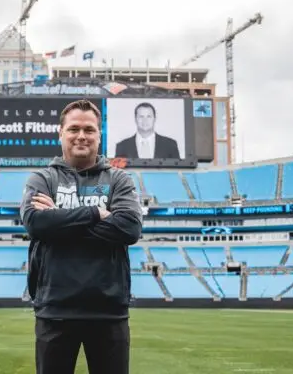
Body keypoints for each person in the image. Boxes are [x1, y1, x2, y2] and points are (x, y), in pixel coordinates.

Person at [21, 99, 143, 374]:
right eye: (74, 128)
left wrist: (60, 221)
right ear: (61, 133)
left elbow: (129, 228)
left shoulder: (118, 180)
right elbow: (36, 223)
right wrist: (95, 213)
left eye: (89, 130)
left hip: (108, 311)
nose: (81, 135)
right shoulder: (42, 179)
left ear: (99, 136)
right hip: (55, 309)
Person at [114, 102, 180, 159]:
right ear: (135, 119)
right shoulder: (122, 146)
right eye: (141, 116)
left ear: (154, 119)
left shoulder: (170, 145)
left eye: (149, 116)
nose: (145, 120)